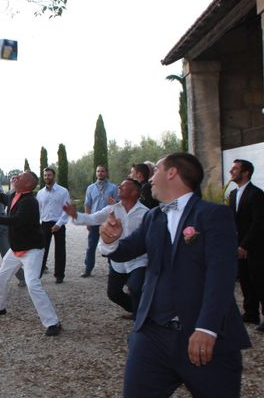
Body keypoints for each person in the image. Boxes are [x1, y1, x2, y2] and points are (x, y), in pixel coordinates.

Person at [99, 152, 251, 397]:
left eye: (156, 171)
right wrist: (110, 241)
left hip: (202, 337)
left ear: (172, 173)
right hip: (152, 336)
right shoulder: (153, 217)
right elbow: (127, 249)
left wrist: (207, 328)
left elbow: (220, 275)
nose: (150, 179)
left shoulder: (213, 215)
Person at [0, 171, 62, 336]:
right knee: (1, 277)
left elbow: (15, 221)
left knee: (32, 284)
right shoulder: (16, 195)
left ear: (29, 185)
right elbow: (4, 199)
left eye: (21, 177)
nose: (16, 178)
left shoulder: (29, 202)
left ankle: (53, 322)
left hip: (32, 250)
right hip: (16, 249)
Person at [64, 179, 148, 317]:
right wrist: (75, 215)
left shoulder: (145, 213)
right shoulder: (111, 209)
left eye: (124, 186)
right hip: (117, 260)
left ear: (134, 192)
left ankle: (142, 319)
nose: (119, 186)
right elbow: (92, 219)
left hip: (138, 259)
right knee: (113, 294)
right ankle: (137, 310)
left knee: (136, 286)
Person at [228, 159, 264, 332]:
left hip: (255, 246)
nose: (231, 171)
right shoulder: (233, 194)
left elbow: (258, 222)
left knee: (260, 280)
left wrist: (246, 245)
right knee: (245, 279)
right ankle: (251, 313)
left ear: (246, 172)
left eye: (235, 168)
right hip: (238, 245)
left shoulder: (256, 194)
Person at [81, 164, 118, 277]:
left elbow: (118, 204)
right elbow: (87, 205)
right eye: (98, 171)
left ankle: (113, 269)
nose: (100, 173)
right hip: (94, 221)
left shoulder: (113, 187)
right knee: (91, 246)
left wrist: (114, 203)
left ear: (106, 173)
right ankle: (88, 269)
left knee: (111, 245)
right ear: (96, 173)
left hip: (108, 221)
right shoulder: (90, 188)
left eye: (102, 171)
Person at [36, 167, 71, 283]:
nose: (47, 177)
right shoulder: (40, 193)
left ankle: (59, 275)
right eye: (45, 175)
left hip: (59, 224)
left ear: (54, 176)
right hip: (45, 224)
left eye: (49, 175)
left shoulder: (63, 191)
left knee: (60, 250)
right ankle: (37, 275)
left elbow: (67, 210)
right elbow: (39, 210)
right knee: (42, 251)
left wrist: (59, 223)